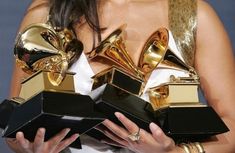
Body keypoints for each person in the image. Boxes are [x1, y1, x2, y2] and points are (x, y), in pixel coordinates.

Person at [5, 0, 235, 153]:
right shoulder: (46, 14)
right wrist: (29, 146)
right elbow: (15, 126)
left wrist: (175, 152)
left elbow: (232, 127)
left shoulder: (192, 15)